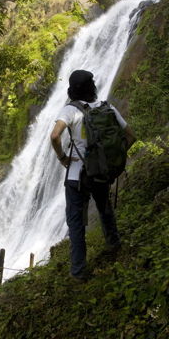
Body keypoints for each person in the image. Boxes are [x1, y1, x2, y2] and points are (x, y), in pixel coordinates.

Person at [50, 70, 136, 281]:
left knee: (76, 222)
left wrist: (62, 158)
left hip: (77, 176)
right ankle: (114, 244)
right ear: (92, 88)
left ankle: (78, 272)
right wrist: (113, 158)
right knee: (104, 208)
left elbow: (54, 136)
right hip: (100, 172)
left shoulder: (70, 110)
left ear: (72, 90)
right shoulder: (107, 107)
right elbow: (131, 136)